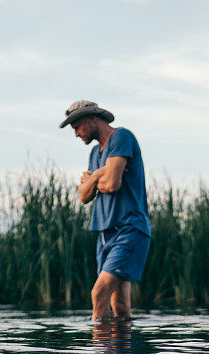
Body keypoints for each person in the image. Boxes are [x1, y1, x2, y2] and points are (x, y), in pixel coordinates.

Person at [59, 100, 151, 321]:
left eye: (77, 126)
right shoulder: (94, 153)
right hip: (105, 232)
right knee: (119, 305)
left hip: (129, 228)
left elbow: (112, 184)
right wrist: (102, 173)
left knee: (99, 293)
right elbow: (84, 196)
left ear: (93, 118)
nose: (76, 134)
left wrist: (94, 177)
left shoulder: (121, 137)